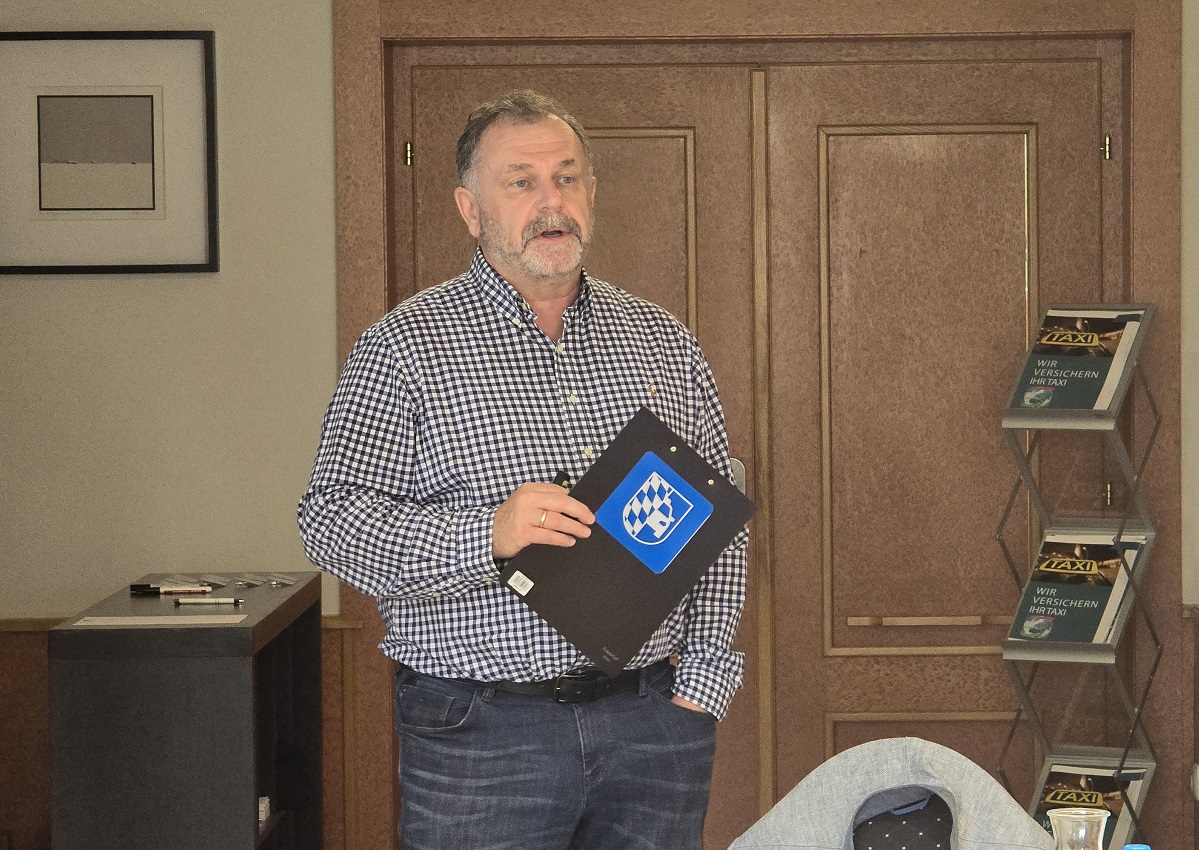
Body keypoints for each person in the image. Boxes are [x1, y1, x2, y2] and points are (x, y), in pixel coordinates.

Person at [298, 89, 747, 850]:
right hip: (481, 734)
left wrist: (703, 680)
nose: (550, 203)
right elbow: (330, 524)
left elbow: (716, 512)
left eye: (566, 178)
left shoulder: (662, 342)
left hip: (652, 729)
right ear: (470, 209)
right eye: (521, 182)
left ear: (591, 193)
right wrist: (488, 535)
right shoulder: (404, 348)